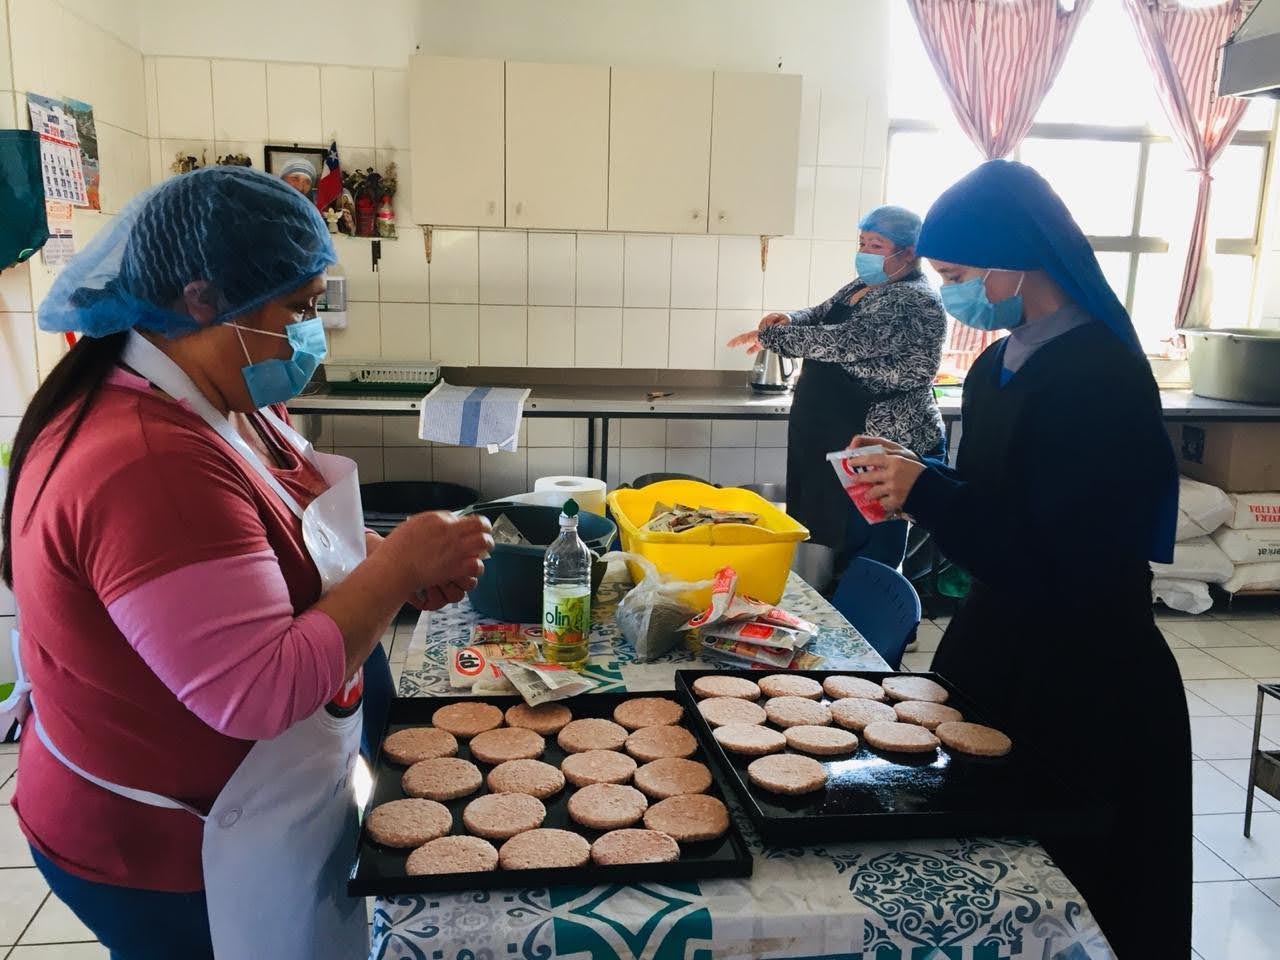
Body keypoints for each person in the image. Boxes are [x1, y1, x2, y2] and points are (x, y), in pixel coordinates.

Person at [0, 166, 494, 959]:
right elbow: (256, 693)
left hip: (265, 801)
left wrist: (386, 563)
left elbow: (292, 530)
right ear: (203, 300)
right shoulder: (147, 462)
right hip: (172, 844)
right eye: (298, 310)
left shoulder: (222, 396)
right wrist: (396, 567)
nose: (310, 333)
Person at [850, 160, 1189, 958]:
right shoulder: (996, 366)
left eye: (960, 276)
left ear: (1015, 262)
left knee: (1069, 891)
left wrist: (929, 493)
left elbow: (1061, 556)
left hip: (1082, 676)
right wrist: (917, 470)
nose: (956, 294)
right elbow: (1000, 496)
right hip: (998, 645)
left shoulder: (1100, 378)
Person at [726, 205, 946, 573]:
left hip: (882, 441)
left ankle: (872, 623)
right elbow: (822, 311)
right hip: (841, 435)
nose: (864, 253)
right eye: (862, 243)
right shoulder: (867, 286)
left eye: (876, 245)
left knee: (871, 550)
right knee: (832, 539)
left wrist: (774, 337)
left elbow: (847, 341)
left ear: (908, 253)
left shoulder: (913, 298)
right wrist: (790, 318)